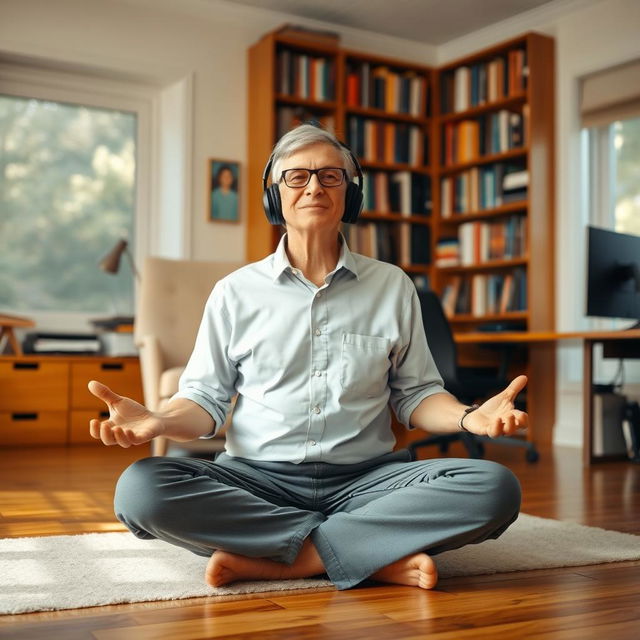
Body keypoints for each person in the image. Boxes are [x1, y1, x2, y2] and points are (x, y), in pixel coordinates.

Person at [88, 123, 526, 592]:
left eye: (330, 176)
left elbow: (416, 395)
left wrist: (469, 418)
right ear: (275, 197)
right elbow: (204, 399)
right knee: (140, 490)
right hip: (257, 482)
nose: (314, 186)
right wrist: (160, 418)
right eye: (296, 176)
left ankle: (282, 558)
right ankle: (369, 554)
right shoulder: (234, 293)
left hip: (369, 482)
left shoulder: (393, 286)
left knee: (494, 488)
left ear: (349, 195)